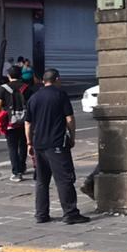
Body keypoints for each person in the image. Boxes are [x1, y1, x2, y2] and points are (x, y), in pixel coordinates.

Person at [25, 68, 90, 225]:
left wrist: (29, 143)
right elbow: (69, 119)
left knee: (42, 181)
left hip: (39, 144)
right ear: (57, 79)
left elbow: (28, 123)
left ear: (43, 80)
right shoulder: (60, 95)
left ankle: (41, 214)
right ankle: (70, 213)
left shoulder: (34, 98)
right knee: (64, 179)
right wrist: (72, 137)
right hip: (56, 143)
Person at [0, 65, 31, 182]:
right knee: (23, 144)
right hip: (25, 121)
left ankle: (16, 172)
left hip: (10, 122)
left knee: (12, 147)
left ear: (9, 76)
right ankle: (22, 166)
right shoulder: (26, 88)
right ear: (20, 75)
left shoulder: (3, 88)